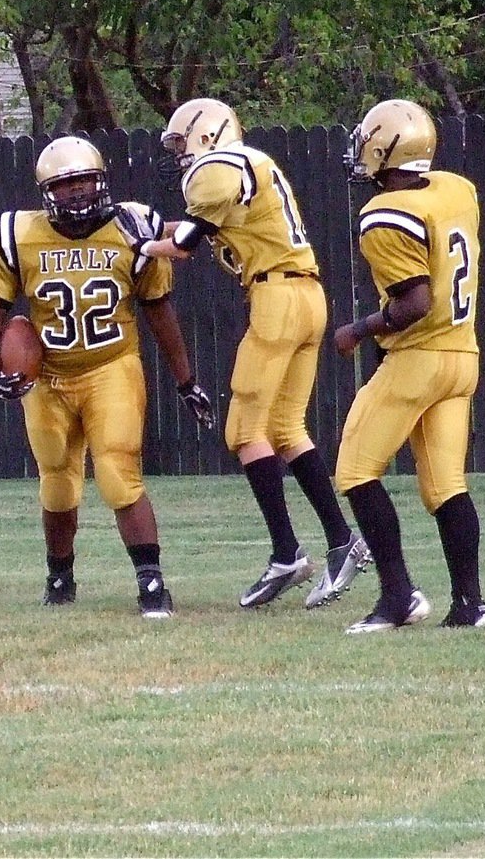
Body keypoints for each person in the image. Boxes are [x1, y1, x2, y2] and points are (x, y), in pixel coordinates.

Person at [134, 97, 370, 611]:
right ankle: (342, 540)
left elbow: (185, 246)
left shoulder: (217, 167)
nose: (179, 155)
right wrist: (149, 231)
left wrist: (138, 248)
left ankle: (288, 552)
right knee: (286, 428)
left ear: (206, 134)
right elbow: (196, 230)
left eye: (181, 143)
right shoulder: (248, 164)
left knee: (243, 432)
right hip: (306, 294)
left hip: (276, 300)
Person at [0, 136, 214, 618]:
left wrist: (186, 380)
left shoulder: (134, 226)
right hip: (49, 379)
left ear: (101, 181)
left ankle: (152, 584)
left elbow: (159, 312)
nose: (79, 193)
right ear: (46, 192)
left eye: (85, 181)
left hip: (111, 367)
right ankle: (59, 576)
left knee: (117, 474)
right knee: (57, 481)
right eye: (66, 186)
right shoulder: (14, 235)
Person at [334, 98, 485, 634]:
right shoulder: (457, 188)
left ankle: (398, 595)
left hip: (420, 358)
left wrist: (358, 330)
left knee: (355, 471)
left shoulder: (383, 215)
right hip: (463, 357)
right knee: (446, 484)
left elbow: (415, 303)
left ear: (385, 147)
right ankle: (471, 605)